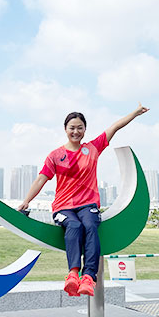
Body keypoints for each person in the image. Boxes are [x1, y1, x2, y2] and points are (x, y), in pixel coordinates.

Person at [18, 103, 149, 297]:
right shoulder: (55, 155)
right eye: (72, 127)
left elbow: (114, 127)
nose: (76, 131)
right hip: (64, 207)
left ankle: (88, 277)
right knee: (74, 226)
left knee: (90, 226)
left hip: (88, 205)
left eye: (80, 127)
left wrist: (135, 113)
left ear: (85, 129)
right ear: (65, 129)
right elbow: (41, 179)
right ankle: (73, 274)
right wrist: (26, 201)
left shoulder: (93, 148)